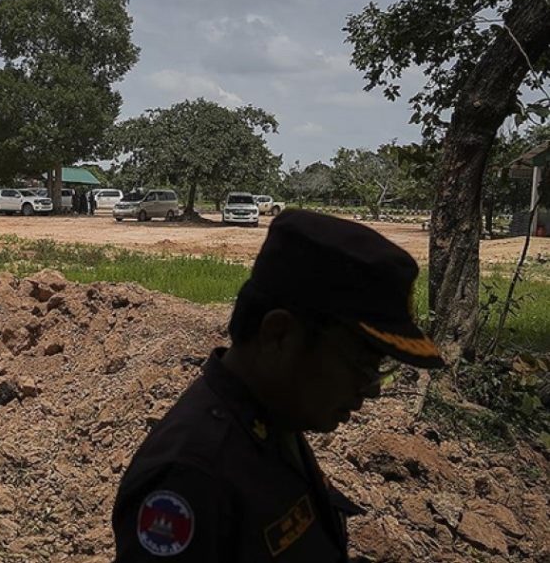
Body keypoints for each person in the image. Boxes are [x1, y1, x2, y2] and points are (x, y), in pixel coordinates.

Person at [111, 210, 444, 562]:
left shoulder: (271, 419)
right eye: (362, 364)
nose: (372, 389)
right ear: (278, 335)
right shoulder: (191, 477)